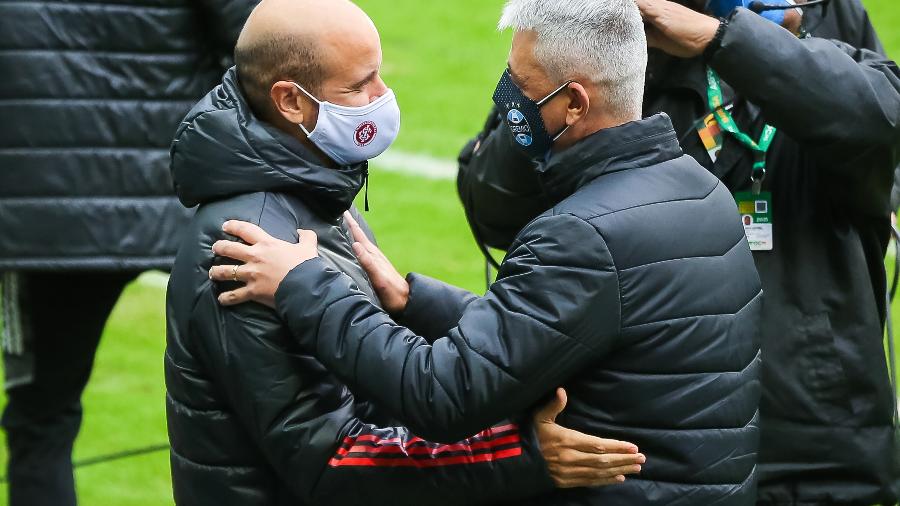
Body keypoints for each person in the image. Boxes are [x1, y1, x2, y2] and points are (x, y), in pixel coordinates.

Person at [209, 0, 764, 503]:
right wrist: (413, 301)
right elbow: (564, 334)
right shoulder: (700, 188)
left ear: (573, 102)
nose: (507, 101)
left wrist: (304, 283)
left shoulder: (583, 233)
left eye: (522, 84)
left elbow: (441, 394)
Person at [453, 0, 900, 503]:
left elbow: (877, 118)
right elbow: (493, 206)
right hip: (653, 450)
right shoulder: (617, 46)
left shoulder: (830, 21)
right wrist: (599, 60)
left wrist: (723, 39)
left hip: (813, 454)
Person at [0, 0, 257, 503]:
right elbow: (261, 44)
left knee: (41, 418)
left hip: (45, 211)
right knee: (264, 408)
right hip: (185, 193)